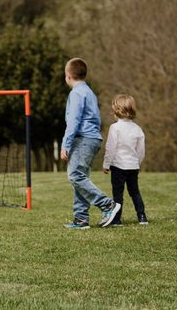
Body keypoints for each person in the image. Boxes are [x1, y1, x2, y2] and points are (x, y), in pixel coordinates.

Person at [60, 58, 121, 229]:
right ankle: (81, 219)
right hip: (93, 138)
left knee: (75, 176)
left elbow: (74, 121)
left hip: (83, 139)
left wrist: (66, 144)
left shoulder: (77, 93)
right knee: (81, 177)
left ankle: (107, 204)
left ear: (68, 76)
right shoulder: (89, 92)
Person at [102, 94, 148, 225]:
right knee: (134, 192)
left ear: (116, 110)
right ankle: (142, 216)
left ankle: (116, 219)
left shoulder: (115, 128)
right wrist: (137, 163)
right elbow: (141, 151)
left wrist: (106, 164)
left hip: (118, 166)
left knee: (118, 194)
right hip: (133, 166)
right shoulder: (137, 129)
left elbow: (110, 148)